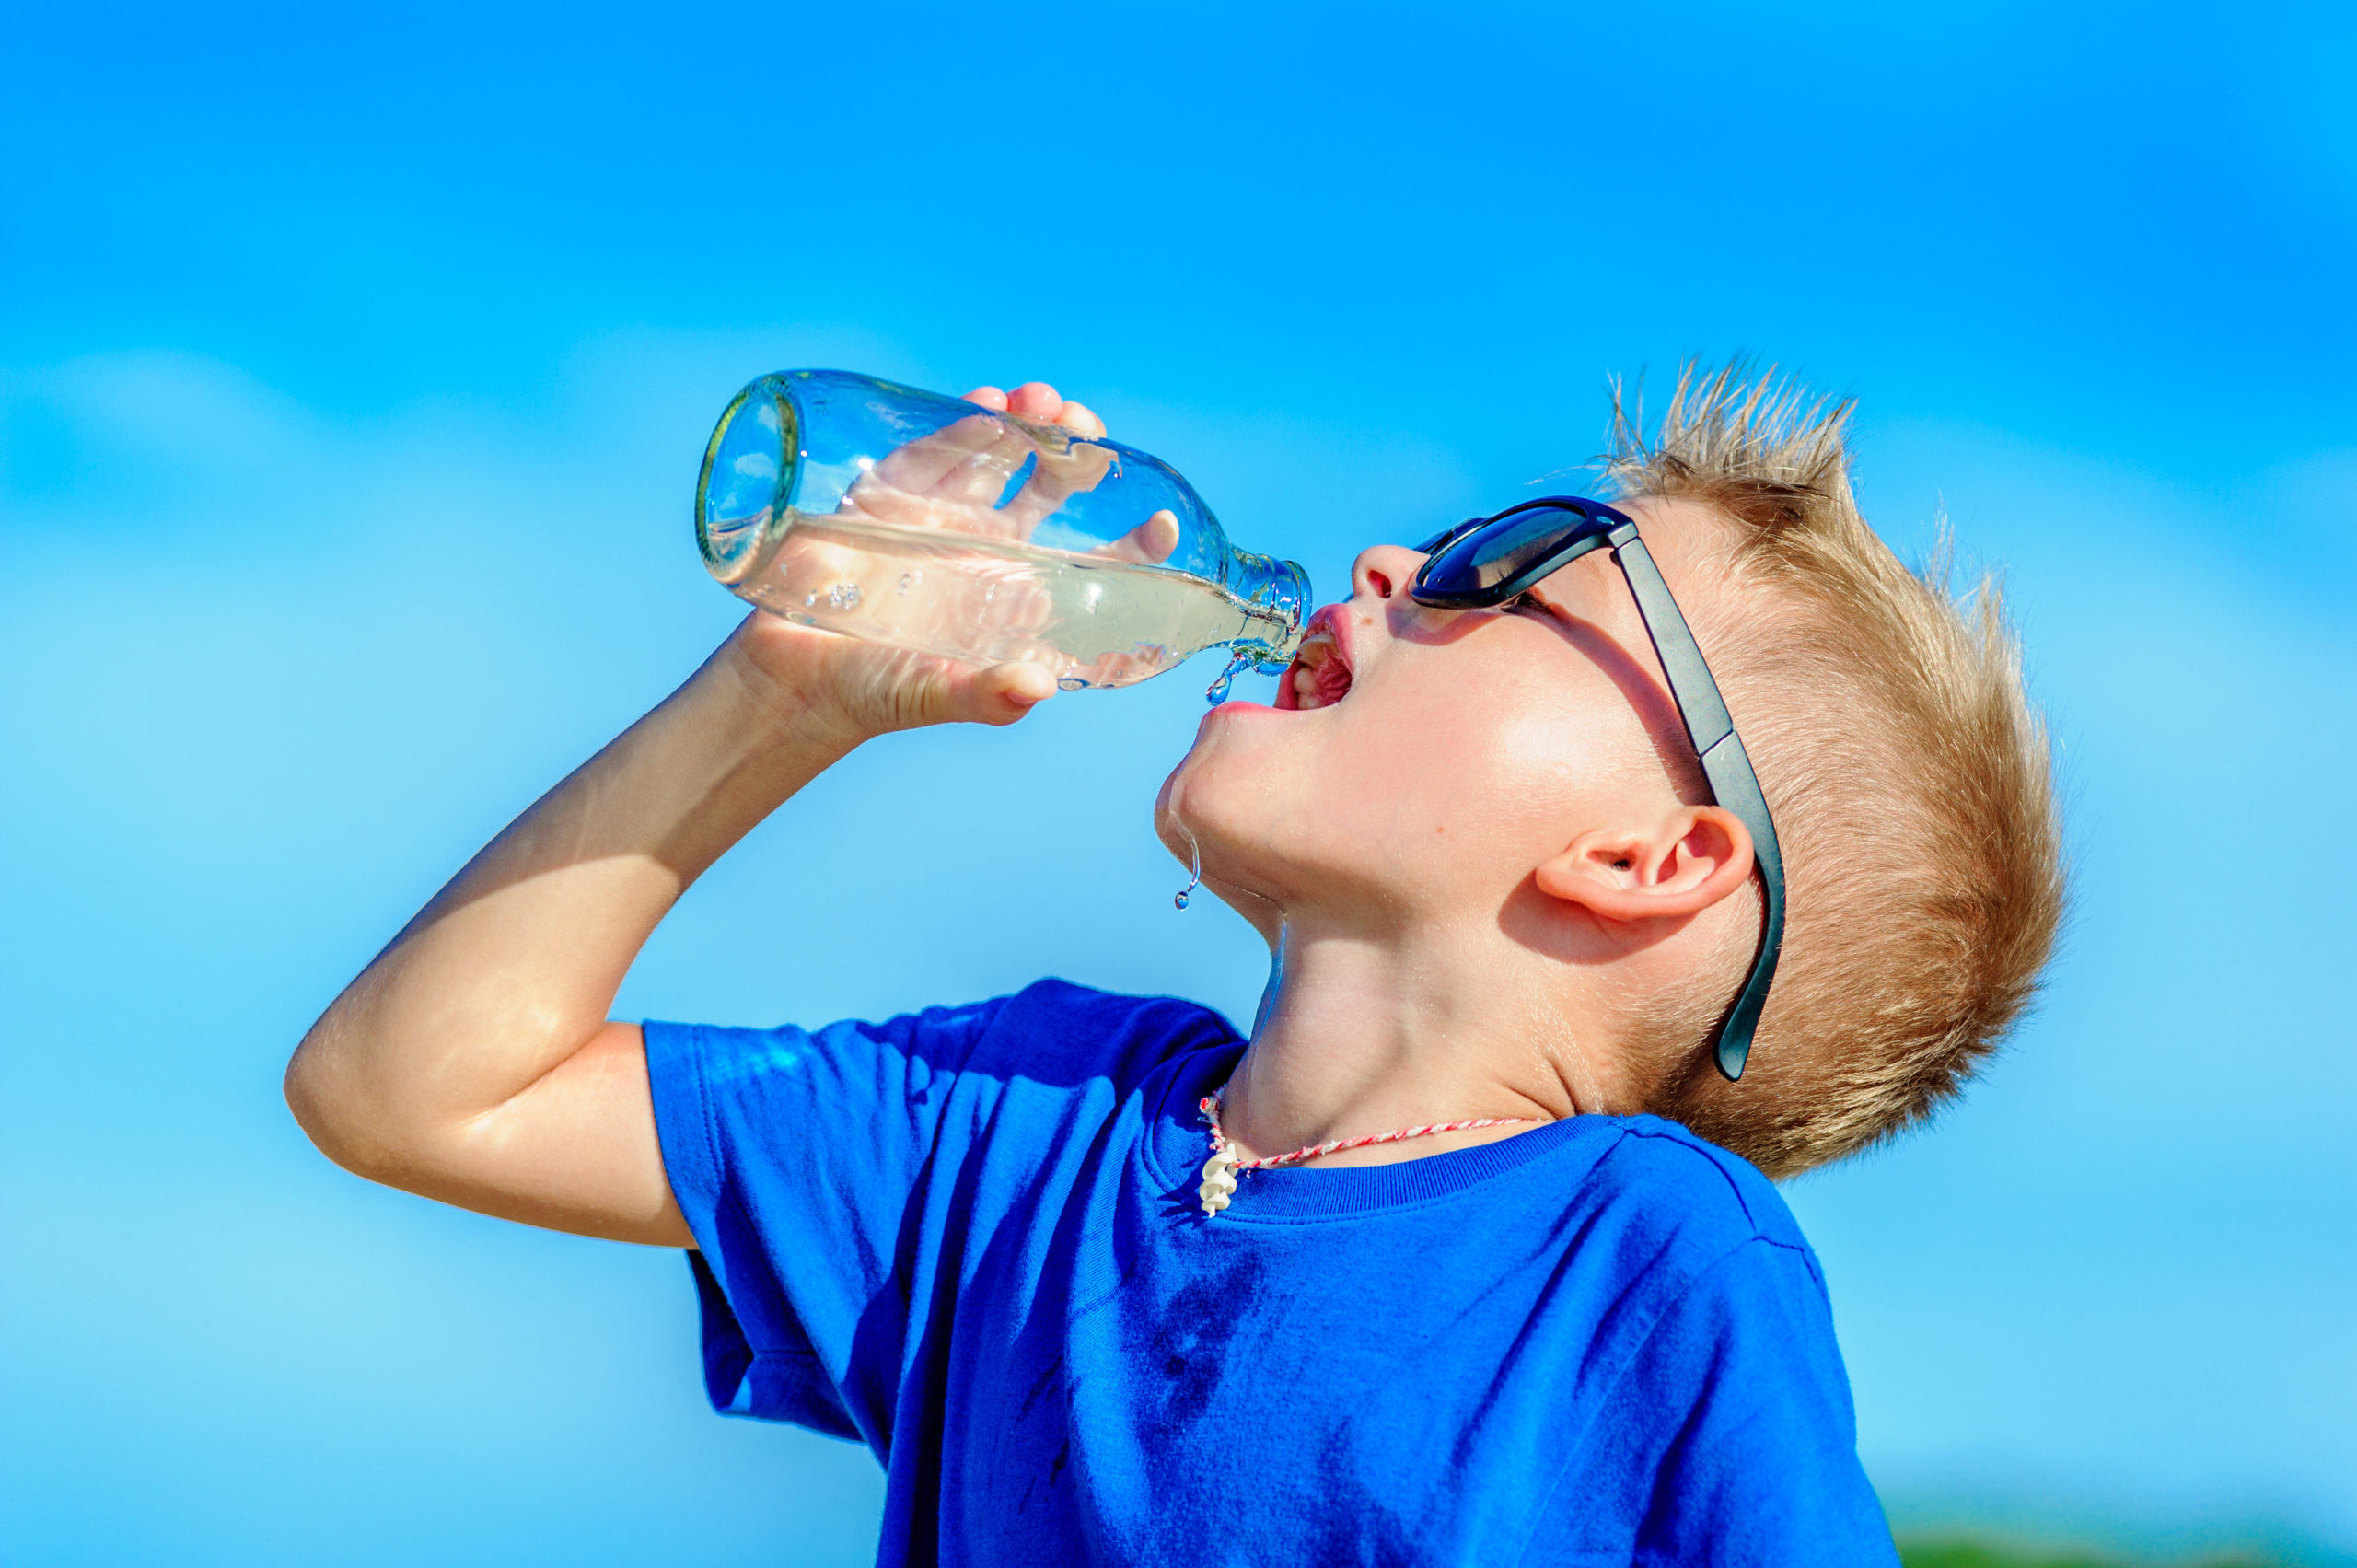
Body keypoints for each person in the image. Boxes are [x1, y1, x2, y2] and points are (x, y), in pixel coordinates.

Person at [286, 364, 2063, 1564]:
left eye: (1514, 570)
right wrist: (784, 693)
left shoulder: (1633, 1265)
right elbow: (414, 1085)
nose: (1392, 562)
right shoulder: (1021, 1129)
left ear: (1648, 859)